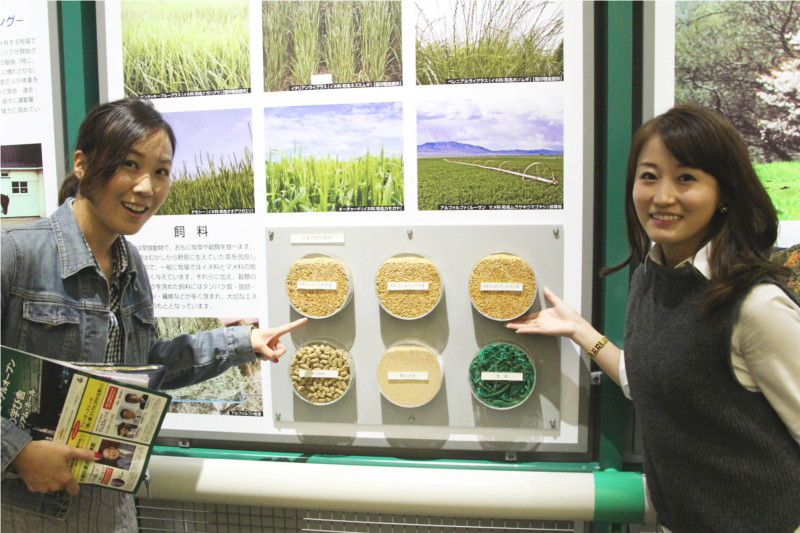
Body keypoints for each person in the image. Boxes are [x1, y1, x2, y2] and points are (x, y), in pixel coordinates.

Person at [1, 98, 307, 532]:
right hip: (23, 511)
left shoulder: (131, 265)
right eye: (129, 164)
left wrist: (243, 342)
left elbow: (148, 364)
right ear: (83, 164)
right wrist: (19, 451)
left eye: (161, 171)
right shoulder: (17, 255)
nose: (146, 187)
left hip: (110, 510)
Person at [508, 104, 800, 532]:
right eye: (649, 176)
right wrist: (579, 331)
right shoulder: (652, 277)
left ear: (724, 193)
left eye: (686, 178)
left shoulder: (755, 306)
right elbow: (649, 378)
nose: (662, 196)